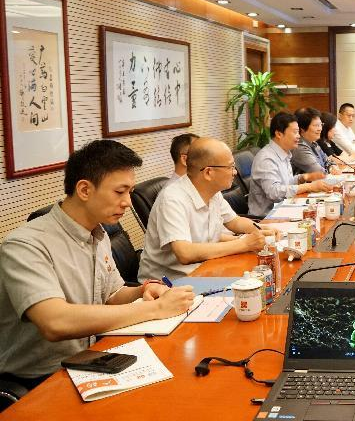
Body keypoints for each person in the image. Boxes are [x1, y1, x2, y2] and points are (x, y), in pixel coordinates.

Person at [0, 140, 195, 389]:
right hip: (39, 380)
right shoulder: (25, 245)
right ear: (84, 190)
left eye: (130, 192)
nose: (128, 202)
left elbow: (111, 294)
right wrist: (156, 309)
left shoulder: (97, 232)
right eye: (119, 192)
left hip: (92, 359)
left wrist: (143, 290)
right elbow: (55, 322)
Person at [138, 138, 270, 282]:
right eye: (230, 167)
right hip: (169, 283)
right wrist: (244, 244)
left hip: (206, 269)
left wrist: (264, 230)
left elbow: (235, 221)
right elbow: (185, 253)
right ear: (208, 172)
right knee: (256, 285)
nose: (235, 172)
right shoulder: (172, 199)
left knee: (262, 275)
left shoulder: (212, 191)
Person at [248, 112, 332, 218]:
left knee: (321, 211)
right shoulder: (266, 158)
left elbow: (286, 183)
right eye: (295, 132)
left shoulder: (284, 153)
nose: (298, 136)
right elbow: (274, 192)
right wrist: (308, 186)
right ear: (279, 134)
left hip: (285, 209)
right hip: (267, 217)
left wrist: (303, 177)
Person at [291, 107, 334, 176]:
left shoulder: (314, 143)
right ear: (302, 128)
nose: (320, 129)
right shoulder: (299, 147)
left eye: (321, 125)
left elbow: (328, 161)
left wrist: (332, 167)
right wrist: (330, 170)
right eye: (316, 125)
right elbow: (319, 172)